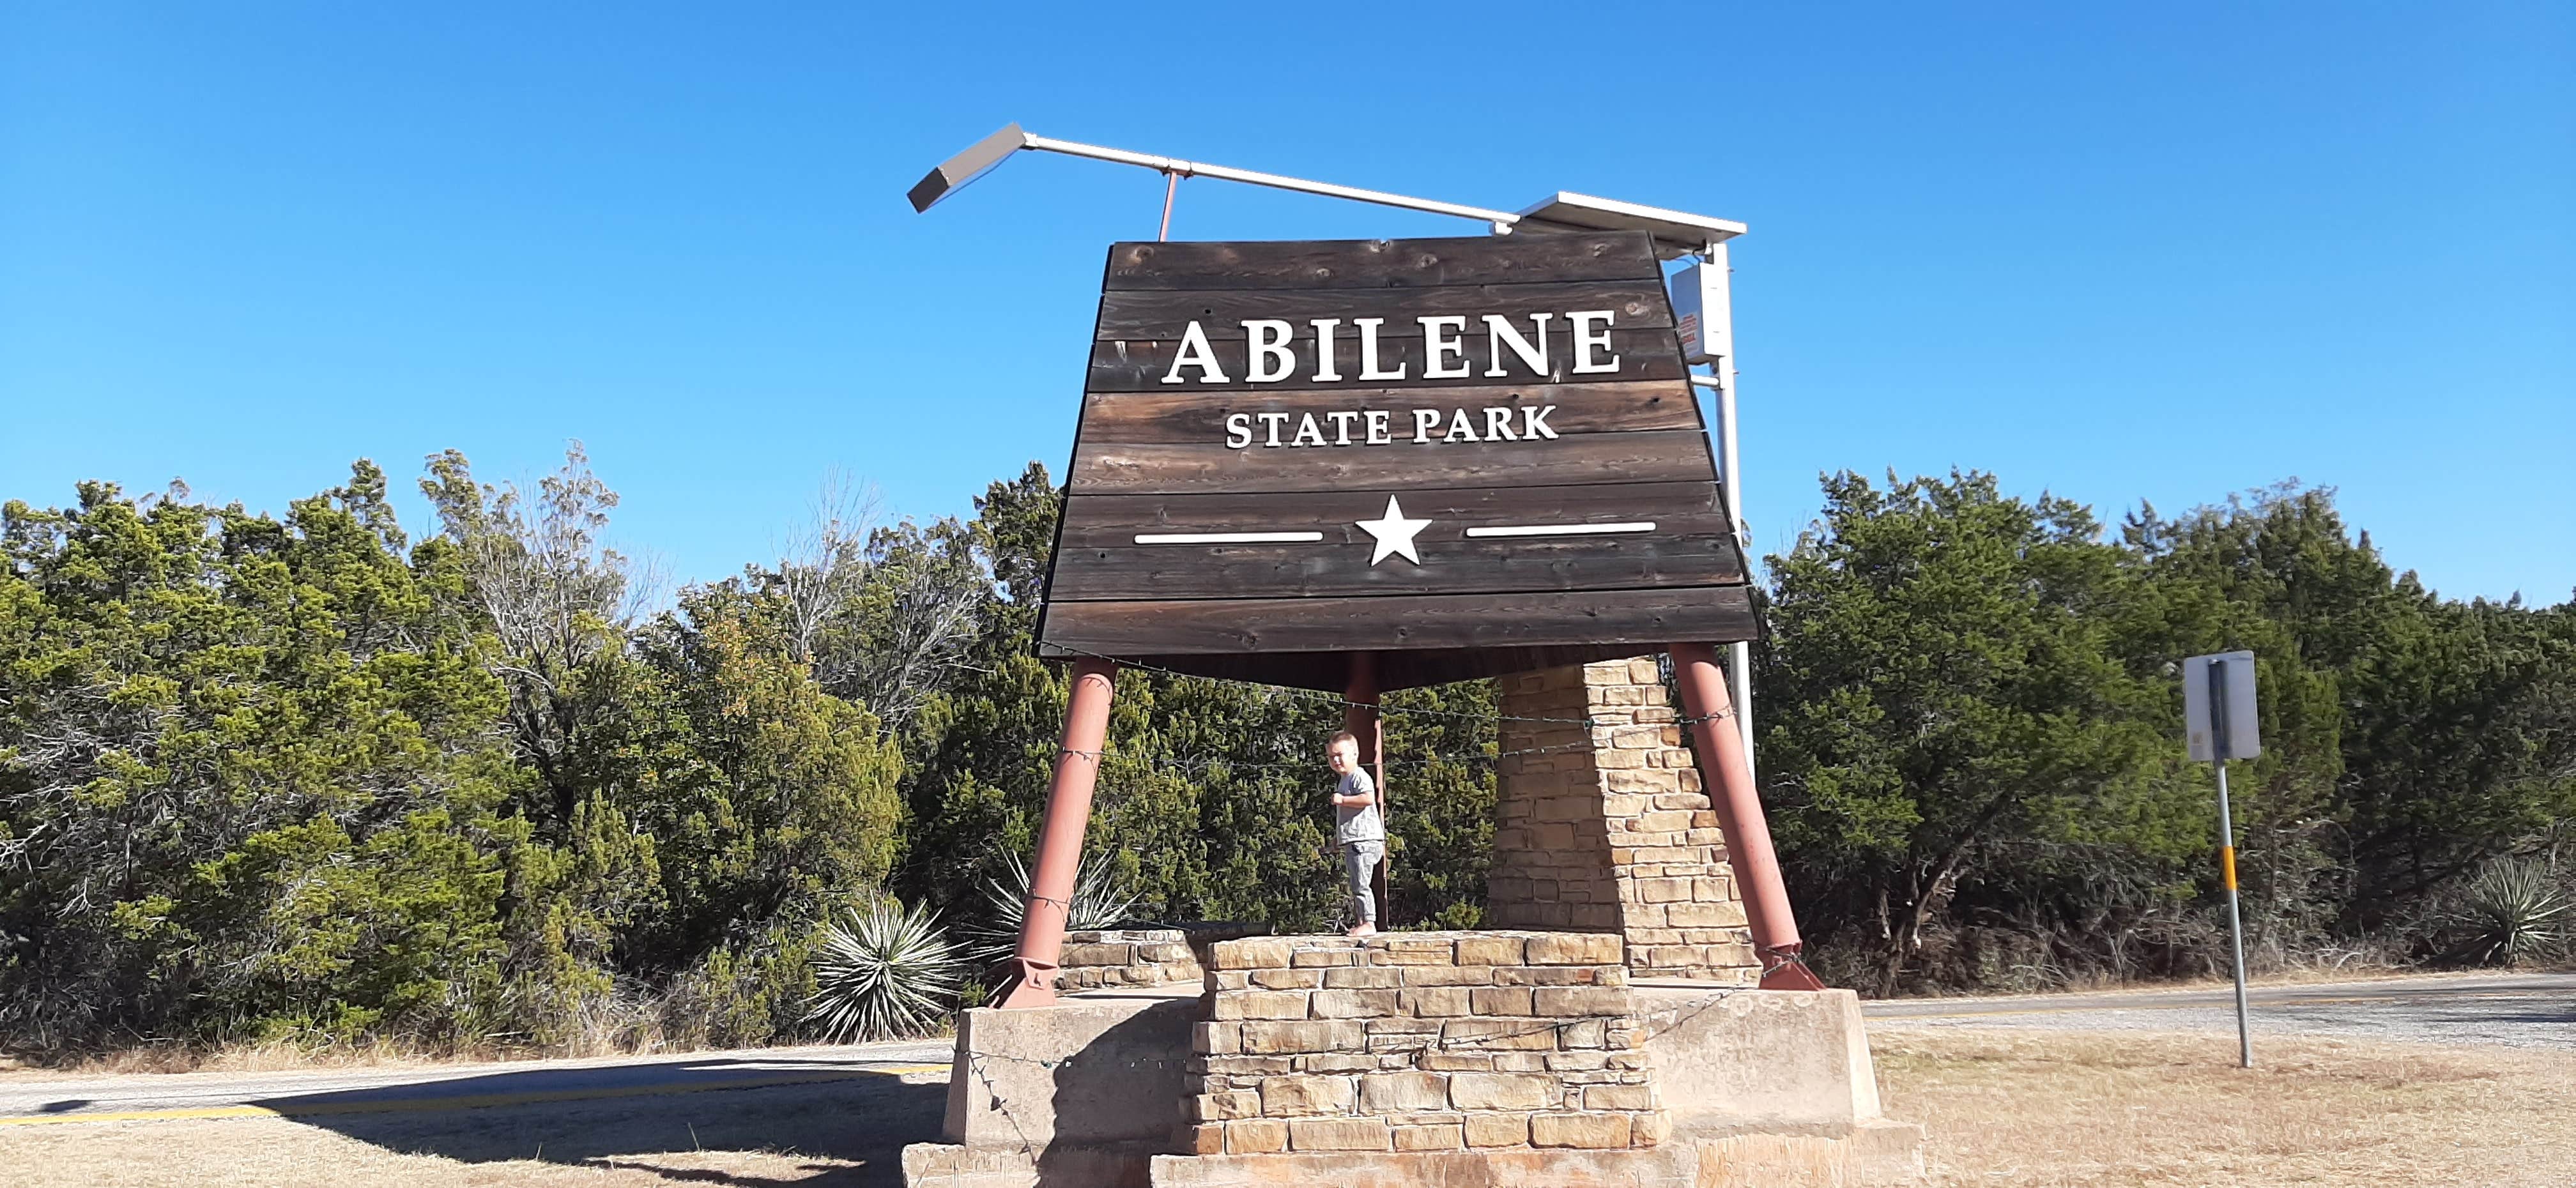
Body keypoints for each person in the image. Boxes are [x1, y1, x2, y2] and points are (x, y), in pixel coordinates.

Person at [1327, 730, 1383, 937]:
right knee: (1356, 884)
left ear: (1354, 754)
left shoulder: (1359, 776)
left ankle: (1369, 922)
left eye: (1340, 755)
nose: (1336, 760)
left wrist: (1343, 800)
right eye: (1332, 757)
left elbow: (1368, 799)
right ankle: (1361, 922)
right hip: (1353, 840)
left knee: (1361, 884)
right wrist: (1339, 838)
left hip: (1364, 842)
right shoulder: (1344, 780)